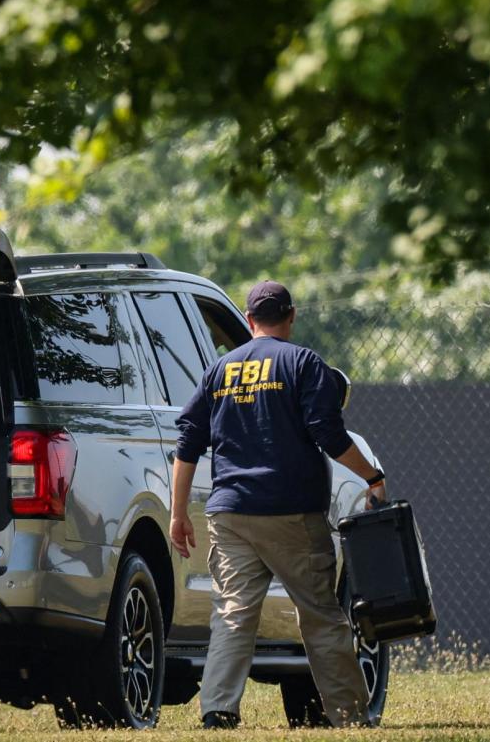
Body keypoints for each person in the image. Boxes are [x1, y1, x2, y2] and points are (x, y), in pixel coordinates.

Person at [169, 280, 388, 729]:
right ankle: (348, 715)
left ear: (249, 321)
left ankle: (218, 712)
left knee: (233, 614)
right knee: (321, 614)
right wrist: (372, 476)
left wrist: (177, 514)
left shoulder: (221, 369)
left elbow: (187, 443)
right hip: (292, 514)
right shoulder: (304, 363)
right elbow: (328, 434)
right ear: (290, 317)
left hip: (229, 513)